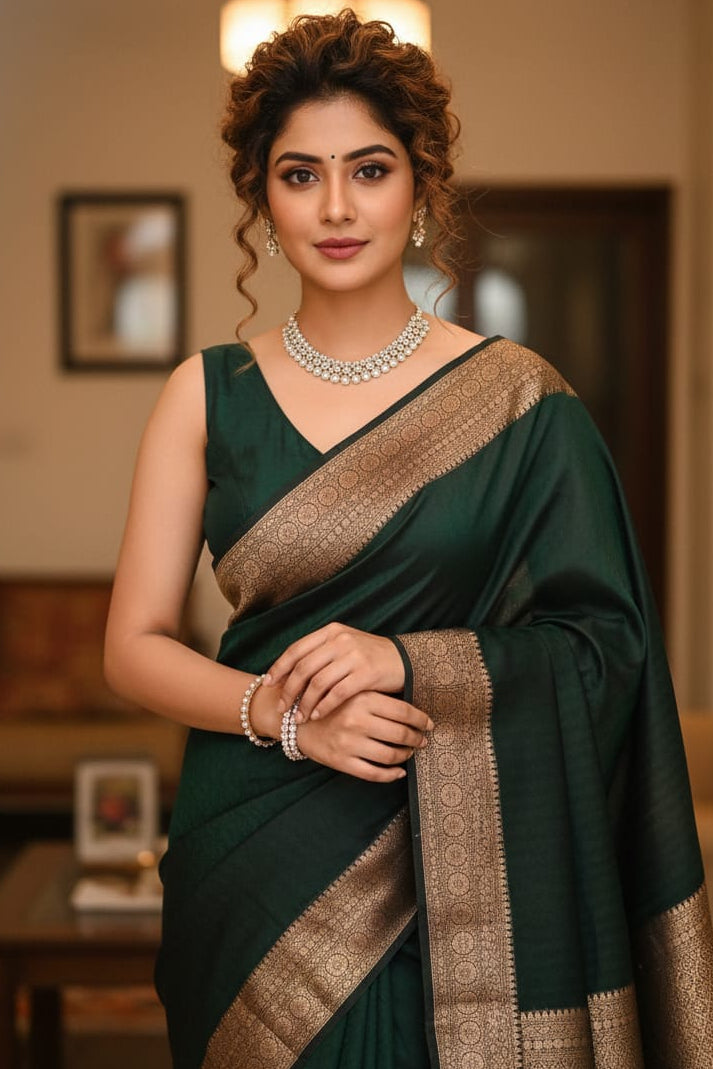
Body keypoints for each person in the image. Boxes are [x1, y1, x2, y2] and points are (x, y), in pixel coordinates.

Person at [104, 9, 713, 1068]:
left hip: (467, 884)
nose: (336, 206)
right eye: (299, 175)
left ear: (421, 185)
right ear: (260, 196)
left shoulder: (523, 405)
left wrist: (405, 661)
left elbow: (605, 652)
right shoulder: (203, 396)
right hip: (253, 863)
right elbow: (136, 644)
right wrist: (284, 718)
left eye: (368, 169)